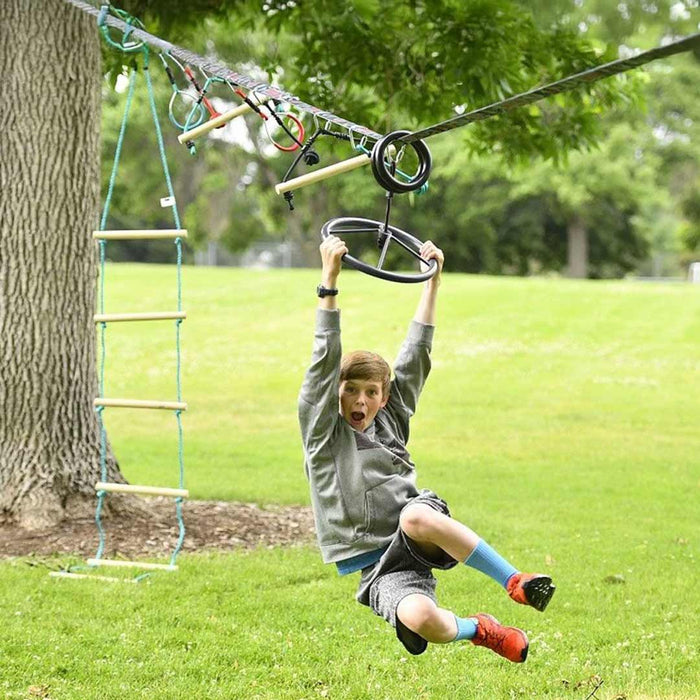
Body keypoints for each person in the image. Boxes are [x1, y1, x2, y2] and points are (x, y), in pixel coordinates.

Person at [298, 234, 555, 662]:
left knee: (415, 514)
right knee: (424, 620)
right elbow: (324, 361)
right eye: (350, 390)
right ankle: (482, 630)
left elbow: (416, 355)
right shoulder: (323, 434)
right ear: (335, 393)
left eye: (371, 393)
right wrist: (329, 280)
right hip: (382, 566)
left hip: (419, 527)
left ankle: (515, 581)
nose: (360, 401)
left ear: (383, 397)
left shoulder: (391, 419)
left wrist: (431, 281)